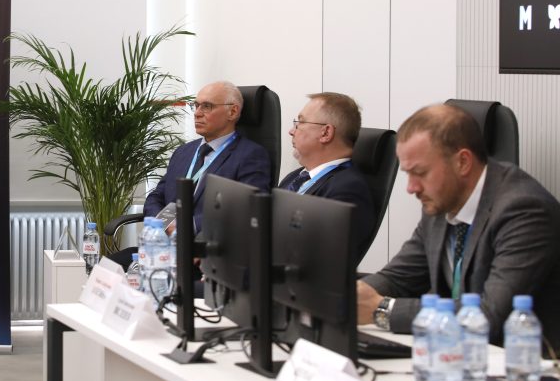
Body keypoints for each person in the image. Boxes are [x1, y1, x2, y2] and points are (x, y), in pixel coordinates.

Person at [358, 104, 560, 352]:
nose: (411, 188)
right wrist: (349, 296)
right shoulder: (441, 201)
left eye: (420, 172)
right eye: (408, 174)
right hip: (457, 354)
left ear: (462, 162)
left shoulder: (524, 210)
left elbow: (488, 316)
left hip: (523, 363)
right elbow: (399, 277)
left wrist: (382, 310)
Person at [144, 80, 271, 233]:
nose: (197, 113)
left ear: (232, 112)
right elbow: (156, 196)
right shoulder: (183, 152)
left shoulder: (250, 155)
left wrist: (186, 227)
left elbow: (248, 209)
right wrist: (162, 224)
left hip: (206, 243)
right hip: (162, 239)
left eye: (207, 106)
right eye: (196, 105)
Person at [277, 92, 375, 265]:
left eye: (301, 122)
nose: (291, 131)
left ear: (326, 133)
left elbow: (322, 260)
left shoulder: (348, 190)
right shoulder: (295, 177)